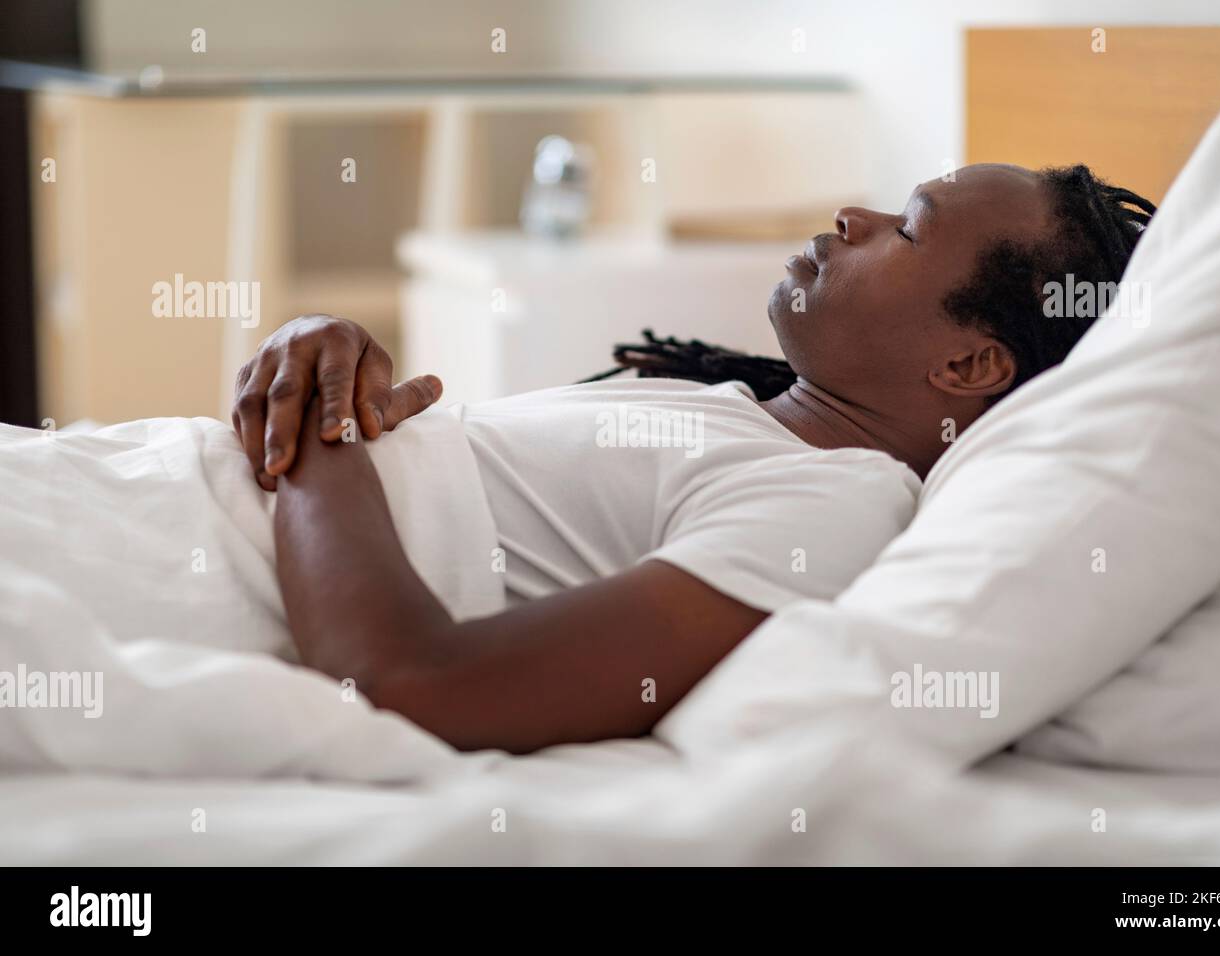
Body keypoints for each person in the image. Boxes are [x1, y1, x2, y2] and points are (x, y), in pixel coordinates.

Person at [231, 163, 1154, 754]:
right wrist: (322, 353)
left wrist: (320, 423)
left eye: (906, 228)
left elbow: (409, 687)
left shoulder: (829, 504)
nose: (851, 213)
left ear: (968, 363)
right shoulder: (727, 412)